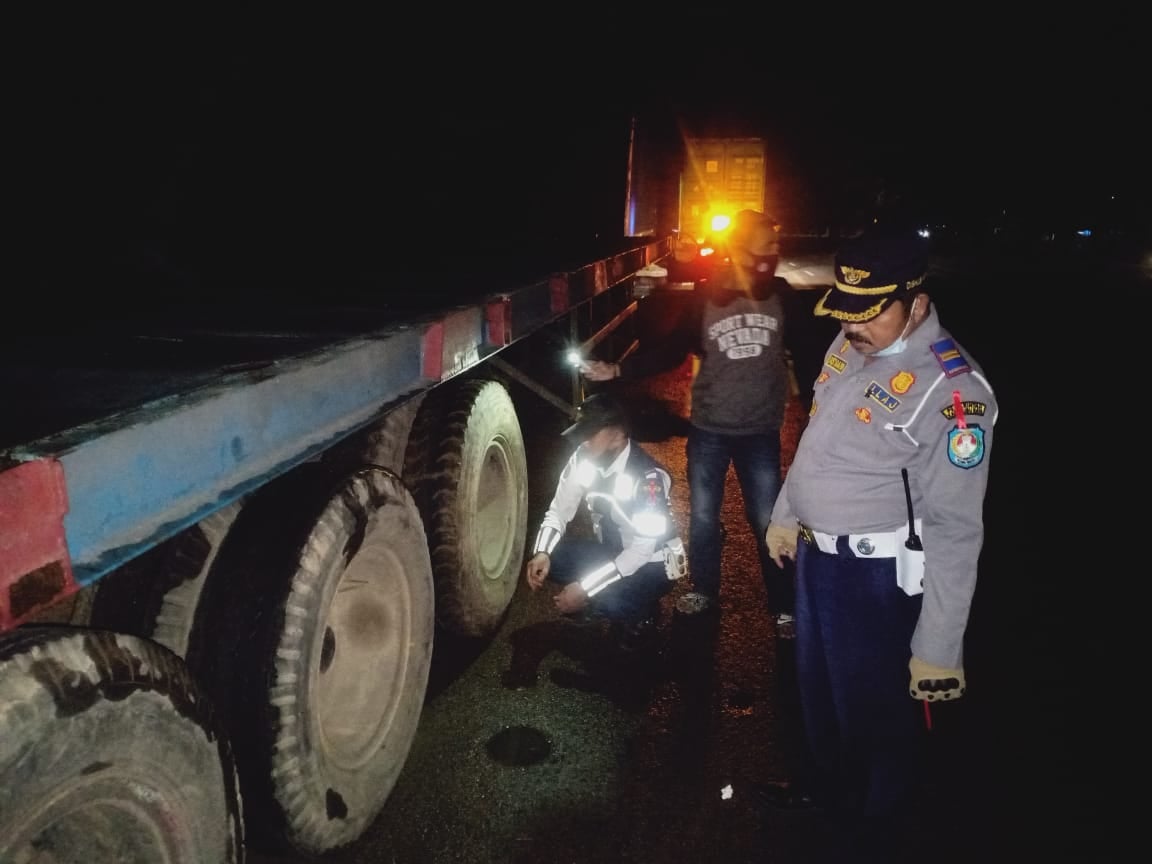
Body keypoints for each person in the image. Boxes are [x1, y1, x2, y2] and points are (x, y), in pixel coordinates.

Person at [763, 225, 999, 862]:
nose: (851, 327)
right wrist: (788, 512)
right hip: (816, 562)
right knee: (818, 699)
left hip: (872, 584)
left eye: (867, 314)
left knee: (878, 721)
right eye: (846, 311)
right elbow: (816, 443)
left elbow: (956, 528)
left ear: (916, 303)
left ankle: (873, 830)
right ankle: (827, 791)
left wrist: (939, 649)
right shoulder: (849, 345)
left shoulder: (952, 393)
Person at [583, 209, 802, 635]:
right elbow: (671, 351)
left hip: (760, 433)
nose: (775, 251)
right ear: (741, 249)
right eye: (767, 243)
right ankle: (705, 590)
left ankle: (783, 604)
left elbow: (812, 353)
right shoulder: (705, 298)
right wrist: (618, 371)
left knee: (767, 521)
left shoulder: (782, 296)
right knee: (703, 517)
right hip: (710, 431)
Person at [524, 392, 687, 648]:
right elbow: (559, 510)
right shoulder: (583, 458)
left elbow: (640, 552)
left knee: (609, 596)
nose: (584, 441)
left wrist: (586, 589)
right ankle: (603, 608)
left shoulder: (648, 479)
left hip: (652, 565)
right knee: (553, 557)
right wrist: (542, 551)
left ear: (618, 435)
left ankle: (640, 621)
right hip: (614, 550)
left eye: (592, 433)